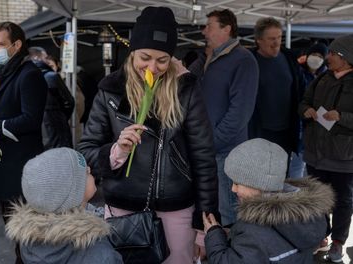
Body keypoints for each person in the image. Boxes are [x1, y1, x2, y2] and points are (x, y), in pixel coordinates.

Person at [78, 6, 220, 264]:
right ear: (132, 52)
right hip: (122, 207)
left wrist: (205, 224)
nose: (153, 67)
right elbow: (85, 150)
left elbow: (204, 158)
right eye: (145, 57)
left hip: (177, 207)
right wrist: (116, 151)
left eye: (162, 60)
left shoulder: (186, 91)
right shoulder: (110, 90)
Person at [0, 22, 47, 263]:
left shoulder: (30, 74)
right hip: (5, 163)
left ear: (16, 45)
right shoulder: (5, 71)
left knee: (25, 231)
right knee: (14, 229)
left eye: (0, 44)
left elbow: (31, 119)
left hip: (21, 166)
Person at [203, 138, 334, 264]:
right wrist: (232, 233)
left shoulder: (253, 233)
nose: (233, 188)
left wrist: (213, 234)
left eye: (237, 183)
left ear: (260, 184)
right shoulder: (310, 216)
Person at [192, 9, 259, 228]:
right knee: (209, 209)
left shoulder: (244, 60)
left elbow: (239, 113)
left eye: (209, 26)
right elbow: (186, 82)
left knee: (229, 212)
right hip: (206, 148)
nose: (204, 31)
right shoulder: (207, 58)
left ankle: (234, 255)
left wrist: (212, 142)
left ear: (226, 29)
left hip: (225, 152)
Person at [5, 148, 123, 263]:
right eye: (85, 172)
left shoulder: (28, 244)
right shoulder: (101, 255)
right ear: (72, 194)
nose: (89, 168)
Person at [298, 34, 353, 263]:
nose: (328, 57)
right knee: (317, 198)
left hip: (343, 158)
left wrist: (342, 116)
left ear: (346, 58)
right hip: (315, 155)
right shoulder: (321, 79)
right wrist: (306, 111)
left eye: (333, 54)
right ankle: (320, 236)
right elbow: (303, 102)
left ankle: (338, 242)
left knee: (343, 200)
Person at [249, 17, 304, 163]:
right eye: (271, 38)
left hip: (286, 132)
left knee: (281, 179)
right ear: (259, 40)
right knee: (258, 178)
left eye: (279, 37)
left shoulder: (290, 59)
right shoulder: (248, 62)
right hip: (258, 132)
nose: (276, 43)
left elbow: (301, 91)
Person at [289, 42, 329, 179]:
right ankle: (292, 192)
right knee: (296, 164)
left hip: (319, 127)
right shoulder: (298, 73)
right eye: (313, 54)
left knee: (313, 168)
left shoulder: (327, 77)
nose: (316, 58)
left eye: (319, 56)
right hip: (298, 125)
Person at [28, 46, 74, 149]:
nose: (47, 60)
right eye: (45, 57)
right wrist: (60, 116)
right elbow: (69, 102)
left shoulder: (24, 77)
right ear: (37, 57)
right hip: (56, 127)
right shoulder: (51, 76)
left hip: (35, 131)